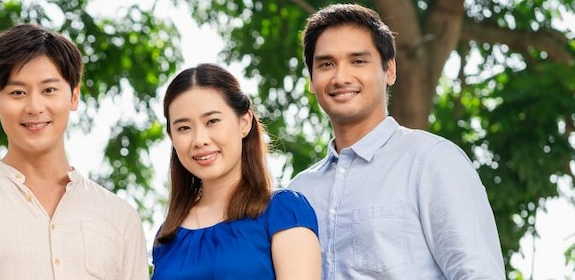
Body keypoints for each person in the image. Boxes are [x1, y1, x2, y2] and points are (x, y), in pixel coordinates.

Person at [0, 23, 148, 280]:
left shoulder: (120, 217)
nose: (34, 107)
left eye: (49, 90)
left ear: (74, 96)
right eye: (18, 92)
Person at [287, 3, 505, 279]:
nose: (341, 77)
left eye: (358, 61)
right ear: (311, 79)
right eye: (327, 64)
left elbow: (478, 273)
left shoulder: (431, 160)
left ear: (389, 70)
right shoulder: (299, 191)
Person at [150, 63, 322, 279]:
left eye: (212, 121)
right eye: (184, 128)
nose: (199, 140)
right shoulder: (167, 236)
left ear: (244, 122)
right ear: (172, 137)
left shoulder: (284, 211)